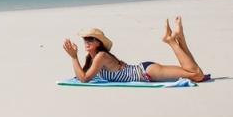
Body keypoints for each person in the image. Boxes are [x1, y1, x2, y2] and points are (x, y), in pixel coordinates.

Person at [62, 18, 206, 83]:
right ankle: (180, 40)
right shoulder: (93, 58)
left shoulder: (100, 56)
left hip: (146, 72)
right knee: (194, 73)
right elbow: (83, 74)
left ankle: (173, 42)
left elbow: (84, 79)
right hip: (145, 69)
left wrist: (74, 57)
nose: (87, 42)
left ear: (98, 43)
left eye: (90, 39)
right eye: (85, 39)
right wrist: (76, 58)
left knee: (196, 75)